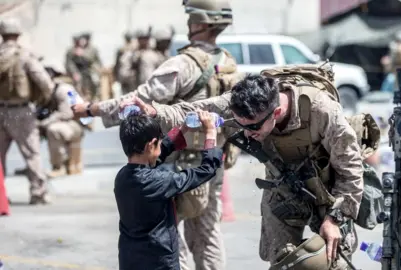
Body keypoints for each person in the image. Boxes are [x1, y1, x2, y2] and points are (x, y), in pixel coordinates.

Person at [123, 65, 370, 269]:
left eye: (253, 127)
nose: (247, 134)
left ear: (276, 112)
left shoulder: (321, 110)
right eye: (241, 126)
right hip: (283, 190)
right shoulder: (241, 106)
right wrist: (156, 111)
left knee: (334, 261)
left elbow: (351, 167)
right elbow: (198, 109)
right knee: (282, 260)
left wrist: (335, 218)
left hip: (330, 194)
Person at [72, 1, 241, 269]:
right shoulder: (227, 61)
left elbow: (137, 100)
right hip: (214, 156)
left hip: (178, 163)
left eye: (191, 19)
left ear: (199, 23)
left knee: (171, 233)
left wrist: (91, 109)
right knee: (209, 233)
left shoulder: (184, 63)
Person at [114, 111, 223, 270]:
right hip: (159, 262)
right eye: (158, 142)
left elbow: (155, 155)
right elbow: (205, 170)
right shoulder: (158, 181)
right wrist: (211, 132)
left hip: (130, 260)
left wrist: (183, 129)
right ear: (150, 145)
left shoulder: (122, 177)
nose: (160, 144)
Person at [0, 18, 54, 204]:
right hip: (22, 111)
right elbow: (45, 83)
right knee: (32, 153)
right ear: (18, 34)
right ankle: (38, 193)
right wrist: (41, 101)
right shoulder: (24, 55)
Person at [38, 63, 85, 178]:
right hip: (63, 122)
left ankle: (58, 167)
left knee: (53, 130)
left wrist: (44, 123)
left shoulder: (63, 89)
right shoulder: (47, 90)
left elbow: (67, 113)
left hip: (75, 124)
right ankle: (34, 167)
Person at [118, 29, 164, 94]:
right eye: (142, 38)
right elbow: (123, 75)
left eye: (146, 38)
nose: (144, 41)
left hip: (153, 91)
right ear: (138, 39)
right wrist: (136, 74)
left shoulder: (154, 54)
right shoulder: (130, 55)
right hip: (134, 91)